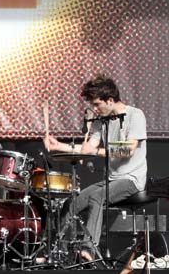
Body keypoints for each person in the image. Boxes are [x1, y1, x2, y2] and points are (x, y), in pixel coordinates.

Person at [43, 75, 147, 260]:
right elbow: (88, 149)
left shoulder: (135, 115)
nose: (96, 109)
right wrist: (59, 145)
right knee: (72, 202)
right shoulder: (101, 122)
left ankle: (88, 250)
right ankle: (54, 252)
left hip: (132, 180)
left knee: (97, 197)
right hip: (112, 180)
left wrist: (97, 151)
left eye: (98, 104)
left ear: (110, 100)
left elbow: (129, 150)